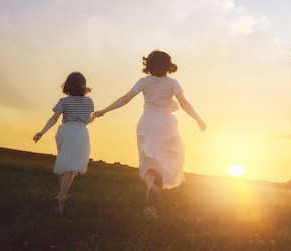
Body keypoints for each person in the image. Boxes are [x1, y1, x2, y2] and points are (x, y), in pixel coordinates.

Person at [93, 50, 206, 220]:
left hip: (147, 123)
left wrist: (104, 110)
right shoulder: (172, 83)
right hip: (166, 124)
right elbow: (184, 103)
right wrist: (197, 117)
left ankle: (151, 193)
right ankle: (150, 208)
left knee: (147, 161)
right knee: (166, 158)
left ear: (149, 65)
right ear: (168, 66)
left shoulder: (144, 82)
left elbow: (125, 99)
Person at [33, 71, 95, 217]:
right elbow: (86, 119)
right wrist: (95, 117)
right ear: (83, 85)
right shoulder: (89, 101)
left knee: (64, 164)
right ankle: (60, 198)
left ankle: (62, 198)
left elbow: (54, 119)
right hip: (79, 131)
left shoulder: (63, 101)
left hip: (64, 130)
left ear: (67, 85)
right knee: (72, 167)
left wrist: (41, 132)